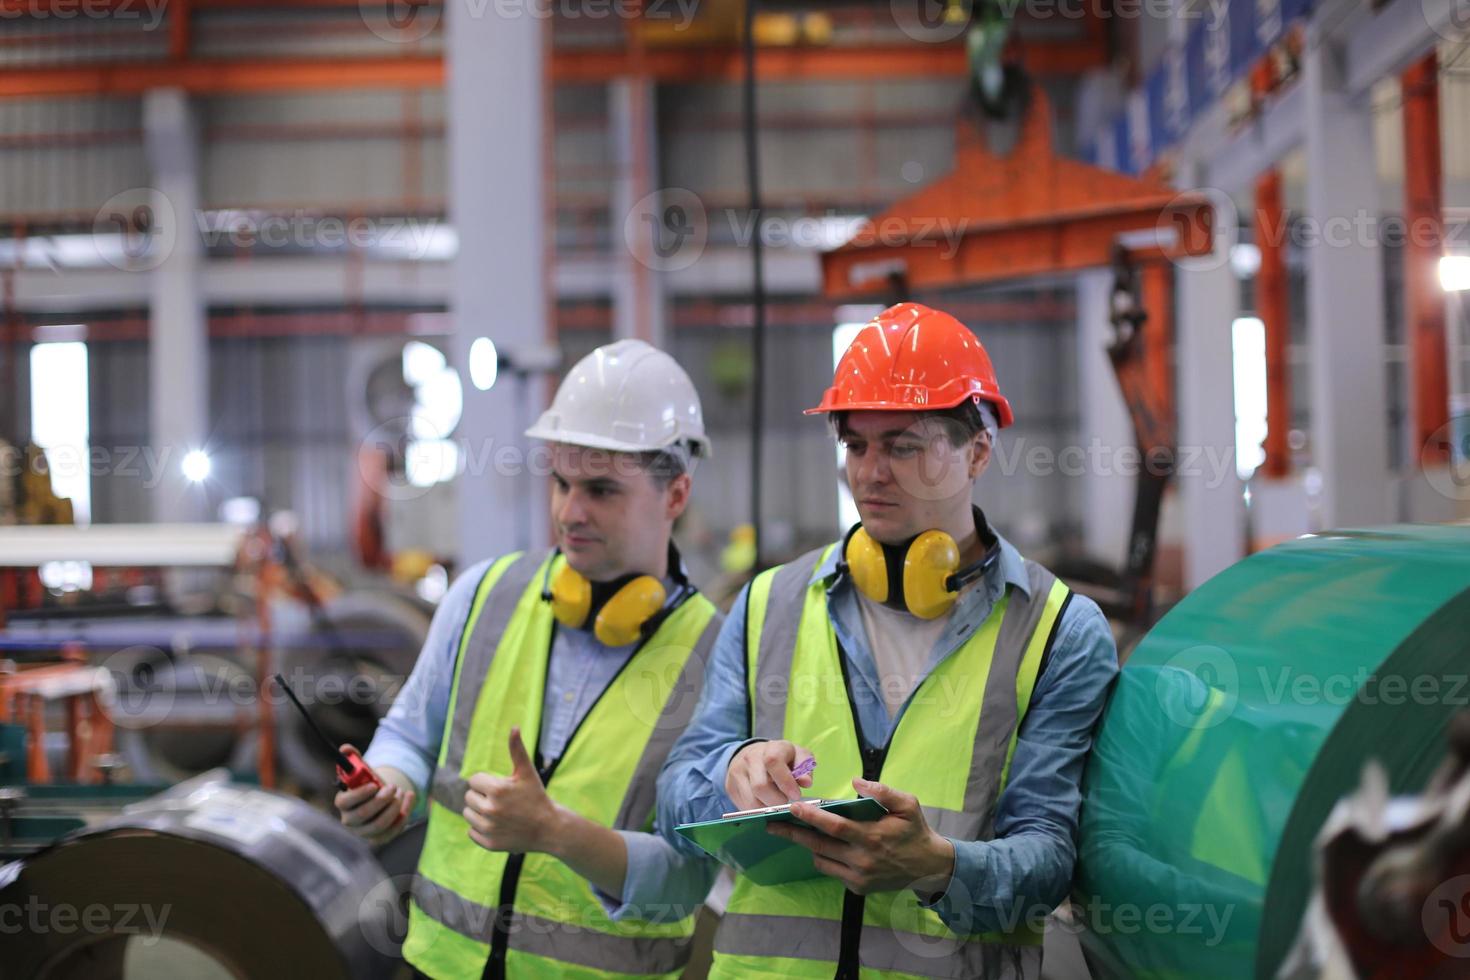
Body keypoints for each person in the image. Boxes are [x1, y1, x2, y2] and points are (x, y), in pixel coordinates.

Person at [658, 302, 1120, 979]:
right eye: (856, 445)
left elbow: (1051, 860)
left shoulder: (1055, 631)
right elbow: (674, 800)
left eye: (903, 445)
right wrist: (732, 768)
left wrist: (938, 867)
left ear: (978, 450)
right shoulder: (768, 605)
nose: (870, 473)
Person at [336, 339, 723, 979]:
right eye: (563, 482)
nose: (570, 513)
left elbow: (687, 880)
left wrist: (559, 834)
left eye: (602, 490)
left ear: (675, 494)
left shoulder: (714, 655)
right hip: (440, 968)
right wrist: (389, 781)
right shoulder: (484, 597)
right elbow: (408, 733)